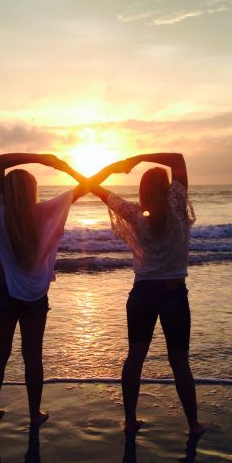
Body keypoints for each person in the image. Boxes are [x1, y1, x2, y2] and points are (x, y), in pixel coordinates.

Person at [0, 152, 114, 428]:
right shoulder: (44, 212)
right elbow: (86, 187)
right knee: (33, 355)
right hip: (34, 294)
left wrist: (43, 159)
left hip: (3, 289)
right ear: (33, 191)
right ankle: (33, 415)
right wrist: (68, 169)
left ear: (6, 191)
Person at [89, 153, 204, 435]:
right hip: (173, 293)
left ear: (141, 191)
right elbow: (177, 159)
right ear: (168, 188)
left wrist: (112, 168)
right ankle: (192, 425)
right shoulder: (177, 206)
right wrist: (139, 158)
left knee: (135, 358)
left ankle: (130, 421)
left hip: (142, 294)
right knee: (179, 362)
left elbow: (96, 188)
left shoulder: (134, 215)